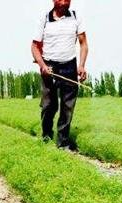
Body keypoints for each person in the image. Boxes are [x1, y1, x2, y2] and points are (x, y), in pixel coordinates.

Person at [31, 0, 88, 150]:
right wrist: (43, 66)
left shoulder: (75, 17)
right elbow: (35, 46)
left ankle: (63, 141)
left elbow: (83, 43)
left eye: (67, 0)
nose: (64, 2)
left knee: (67, 106)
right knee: (49, 105)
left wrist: (81, 65)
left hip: (69, 65)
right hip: (49, 66)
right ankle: (47, 136)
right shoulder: (44, 18)